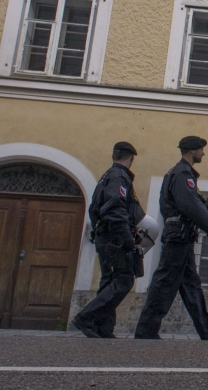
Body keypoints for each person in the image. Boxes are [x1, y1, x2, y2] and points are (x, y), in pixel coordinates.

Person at [135, 136, 208, 340]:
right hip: (179, 235)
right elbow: (189, 204)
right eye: (201, 150)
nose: (203, 153)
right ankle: (146, 330)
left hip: (181, 235)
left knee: (191, 285)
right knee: (164, 282)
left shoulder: (178, 172)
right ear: (192, 151)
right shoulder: (182, 173)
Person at [72, 142, 145, 338]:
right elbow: (115, 207)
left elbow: (94, 209)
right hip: (115, 236)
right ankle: (85, 318)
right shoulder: (119, 177)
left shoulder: (106, 175)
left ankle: (102, 328)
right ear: (130, 158)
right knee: (123, 280)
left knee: (109, 281)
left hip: (105, 235)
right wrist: (126, 236)